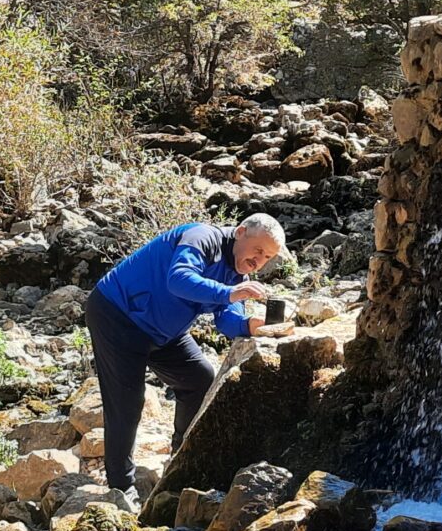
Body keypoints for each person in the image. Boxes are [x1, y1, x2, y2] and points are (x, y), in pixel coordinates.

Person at [85, 212, 291, 501]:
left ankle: (179, 460)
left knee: (200, 381)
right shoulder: (202, 237)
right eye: (258, 250)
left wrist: (249, 325)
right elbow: (179, 279)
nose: (260, 261)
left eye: (267, 257)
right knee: (127, 400)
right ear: (241, 232)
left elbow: (226, 320)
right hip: (118, 315)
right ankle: (122, 487)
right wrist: (231, 292)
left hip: (163, 333)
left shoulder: (237, 274)